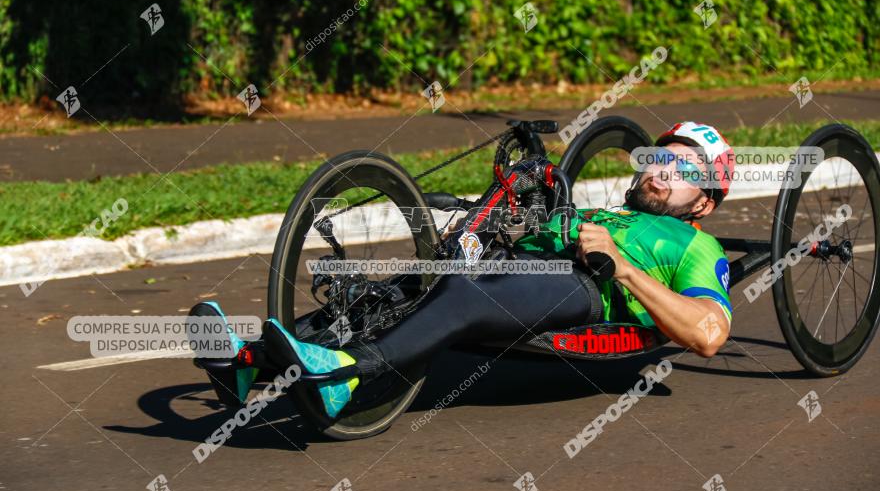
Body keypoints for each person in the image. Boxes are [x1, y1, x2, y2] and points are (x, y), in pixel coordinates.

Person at [193, 121, 735, 418]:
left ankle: (348, 374)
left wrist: (622, 269)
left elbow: (709, 333)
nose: (663, 171)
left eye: (685, 169)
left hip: (584, 290)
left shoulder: (696, 247)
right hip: (524, 261)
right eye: (659, 159)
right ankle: (249, 362)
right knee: (402, 289)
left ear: (704, 203)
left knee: (468, 294)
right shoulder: (608, 209)